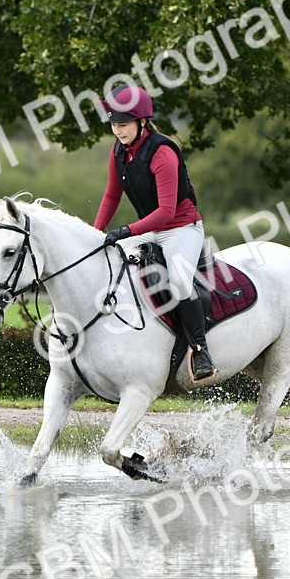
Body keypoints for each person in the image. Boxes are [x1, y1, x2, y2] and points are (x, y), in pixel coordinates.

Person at [94, 85, 216, 383]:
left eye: (123, 125)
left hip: (181, 229)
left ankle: (200, 350)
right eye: (113, 125)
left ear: (142, 122)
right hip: (149, 230)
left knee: (177, 280)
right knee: (108, 261)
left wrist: (126, 230)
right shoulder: (119, 151)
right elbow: (112, 196)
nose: (118, 131)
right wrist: (95, 235)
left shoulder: (162, 153)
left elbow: (166, 212)